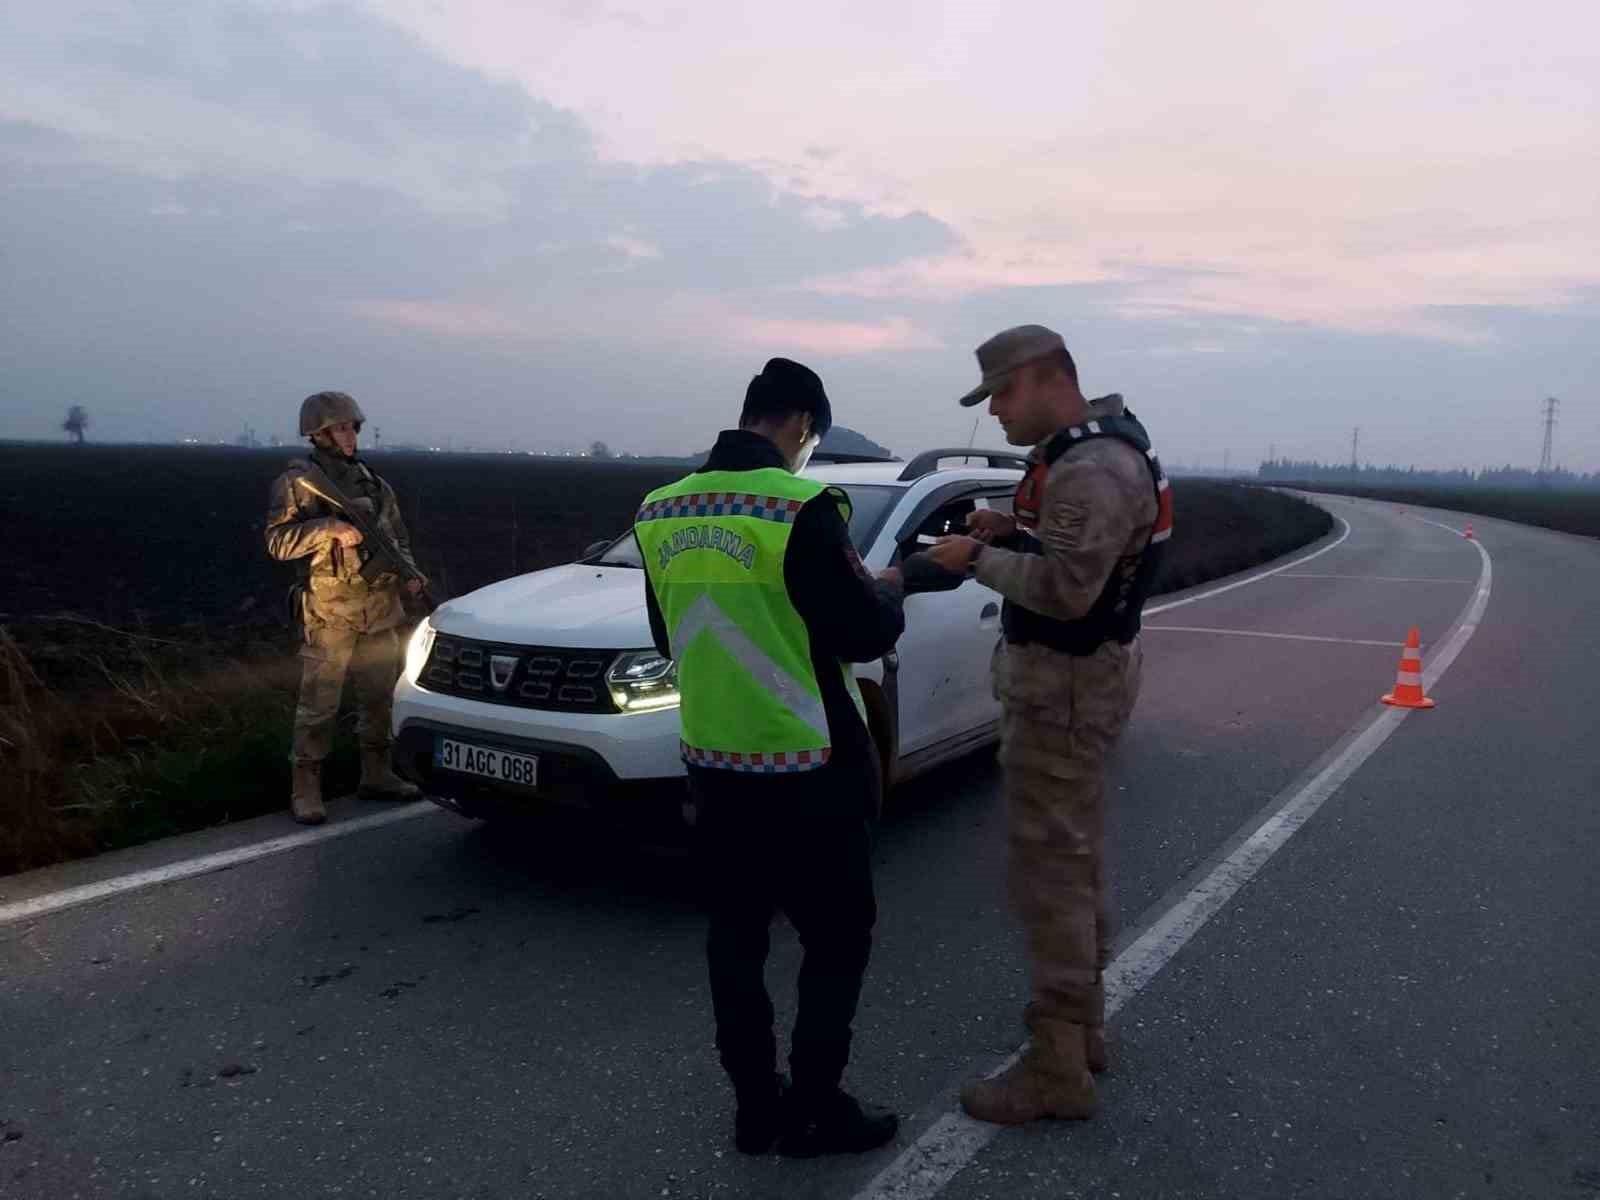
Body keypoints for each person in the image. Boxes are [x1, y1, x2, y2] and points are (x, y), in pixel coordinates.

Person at [634, 358, 907, 1157]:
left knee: (735, 942)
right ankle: (817, 1106)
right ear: (797, 424)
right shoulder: (800, 505)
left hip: (716, 765)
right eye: (810, 439)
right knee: (836, 939)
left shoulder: (658, 509)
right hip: (811, 765)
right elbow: (863, 631)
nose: (806, 452)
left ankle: (757, 1108)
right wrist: (897, 585)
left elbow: (666, 634)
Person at [919, 325, 1172, 1123]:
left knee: (1050, 871)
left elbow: (1067, 590)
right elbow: (1078, 550)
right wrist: (1007, 526)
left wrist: (976, 560)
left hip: (1063, 686)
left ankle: (1058, 1061)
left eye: (1000, 393)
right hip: (1081, 680)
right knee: (1076, 854)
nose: (994, 411)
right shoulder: (1084, 451)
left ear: (1042, 378)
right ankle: (1081, 1025)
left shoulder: (1093, 466)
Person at [264, 391, 428, 825]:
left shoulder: (375, 484)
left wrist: (411, 574)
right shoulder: (299, 483)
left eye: (353, 427)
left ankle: (377, 773)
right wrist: (328, 528)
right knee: (319, 703)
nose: (351, 435)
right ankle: (306, 786)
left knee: (379, 697)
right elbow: (277, 542)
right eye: (341, 428)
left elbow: (397, 539)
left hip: (380, 607)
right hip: (330, 610)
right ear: (318, 433)